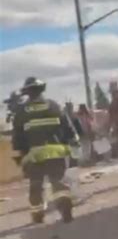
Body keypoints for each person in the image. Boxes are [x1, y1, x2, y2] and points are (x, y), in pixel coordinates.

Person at [12, 77, 78, 223]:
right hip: (56, 152)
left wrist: (20, 157)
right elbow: (68, 128)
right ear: (42, 90)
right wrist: (73, 144)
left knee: (36, 185)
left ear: (27, 92)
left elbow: (17, 137)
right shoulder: (54, 106)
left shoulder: (22, 111)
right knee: (58, 183)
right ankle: (66, 210)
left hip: (34, 155)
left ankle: (37, 215)